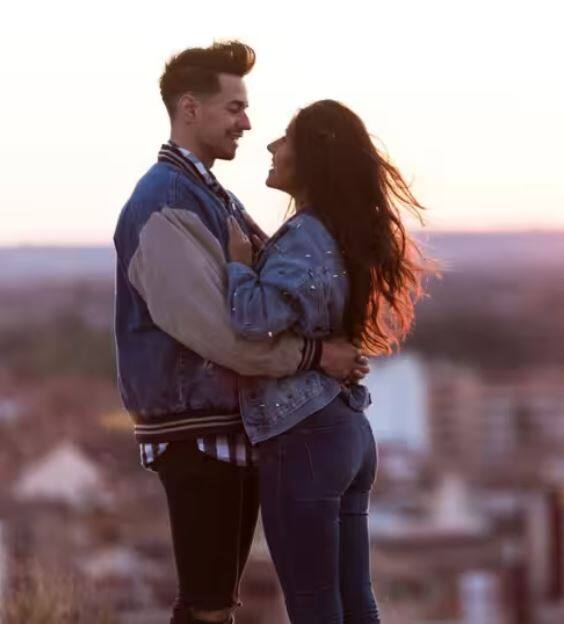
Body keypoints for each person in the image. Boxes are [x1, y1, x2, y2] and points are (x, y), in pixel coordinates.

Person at [112, 42, 368, 624]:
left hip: (230, 429)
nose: (247, 123)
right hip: (194, 433)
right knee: (206, 608)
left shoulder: (209, 194)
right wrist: (317, 355)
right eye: (234, 107)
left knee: (218, 605)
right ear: (189, 108)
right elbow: (224, 335)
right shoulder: (162, 202)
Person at [224, 99, 431, 623]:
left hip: (304, 438)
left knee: (314, 607)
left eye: (285, 138)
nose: (272, 146)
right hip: (346, 435)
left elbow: (253, 318)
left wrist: (237, 266)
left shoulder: (305, 238)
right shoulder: (335, 234)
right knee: (356, 604)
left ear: (311, 158)